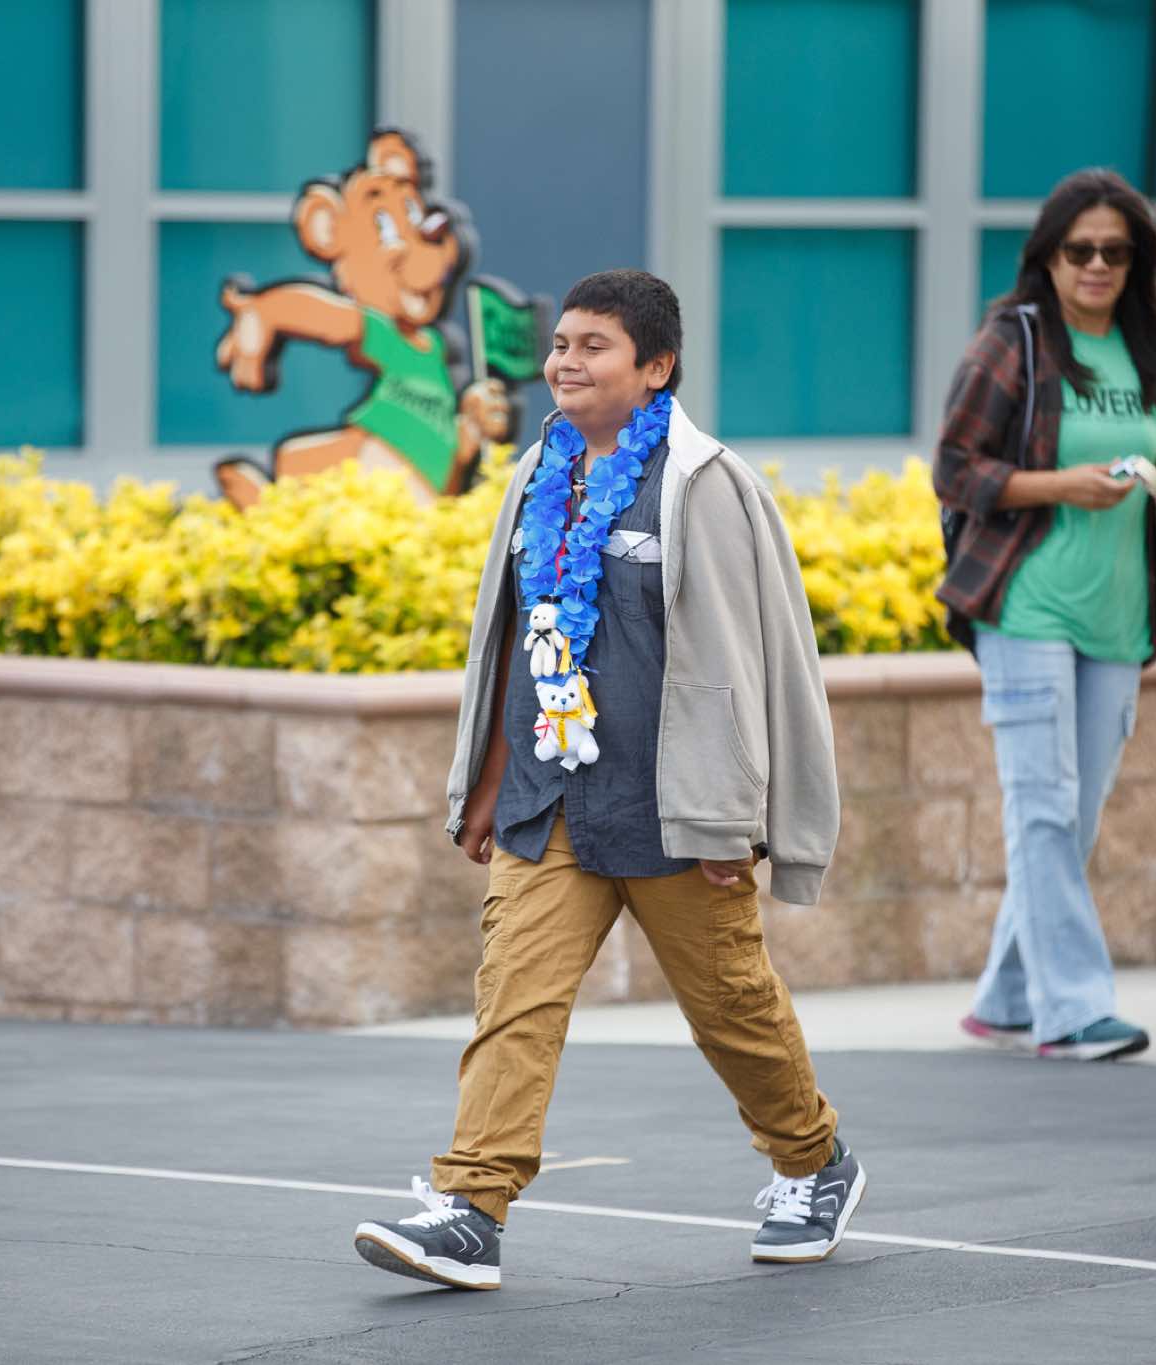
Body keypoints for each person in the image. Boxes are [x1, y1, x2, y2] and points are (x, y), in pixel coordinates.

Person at [352, 270, 863, 1290]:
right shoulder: (539, 470)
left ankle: (813, 1160)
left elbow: (739, 662)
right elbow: (518, 640)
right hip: (550, 800)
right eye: (561, 344)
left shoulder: (704, 485)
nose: (565, 362)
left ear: (656, 367)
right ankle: (471, 1208)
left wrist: (732, 819)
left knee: (732, 1012)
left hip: (672, 809)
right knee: (515, 999)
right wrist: (487, 781)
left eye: (594, 346)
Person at [931, 169, 1156, 1063]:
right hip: (1028, 605)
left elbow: (1152, 455)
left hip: (1118, 611)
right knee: (1043, 808)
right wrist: (1059, 486)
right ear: (1048, 256)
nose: (1097, 265)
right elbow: (955, 469)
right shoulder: (1014, 341)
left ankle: (1007, 998)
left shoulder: (1143, 353)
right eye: (1080, 249)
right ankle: (1075, 1009)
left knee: (1074, 819)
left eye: (1115, 252)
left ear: (1136, 262)